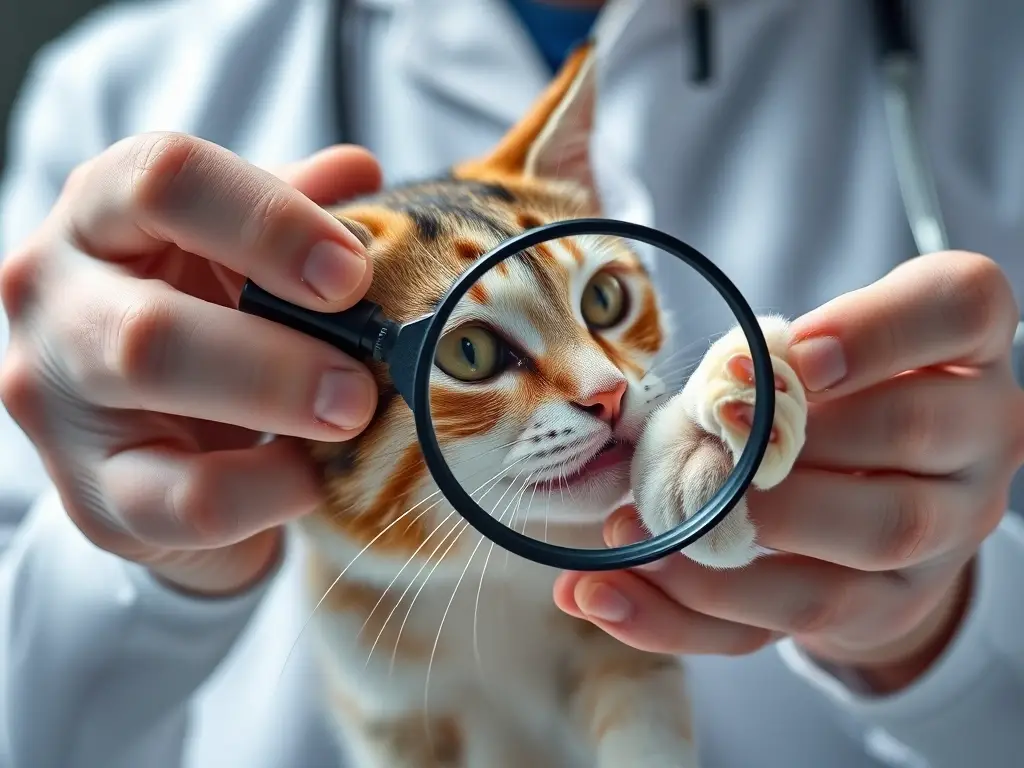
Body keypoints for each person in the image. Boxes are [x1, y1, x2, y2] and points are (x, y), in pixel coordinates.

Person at [1, 0, 1023, 766]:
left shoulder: (989, 45)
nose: (602, 390)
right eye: (477, 354)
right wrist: (143, 572)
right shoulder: (117, 92)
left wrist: (941, 637)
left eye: (609, 307)